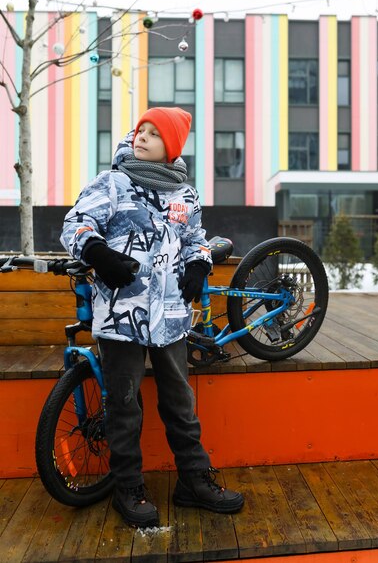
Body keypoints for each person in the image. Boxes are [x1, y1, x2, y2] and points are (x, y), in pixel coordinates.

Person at [60, 106, 244, 528]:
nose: (141, 136)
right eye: (140, 129)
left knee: (180, 400)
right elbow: (76, 225)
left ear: (172, 146)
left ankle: (194, 481)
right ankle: (128, 485)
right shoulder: (112, 182)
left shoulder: (186, 195)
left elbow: (196, 239)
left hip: (173, 315)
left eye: (153, 133)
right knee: (124, 403)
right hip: (122, 317)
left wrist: (199, 263)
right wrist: (98, 254)